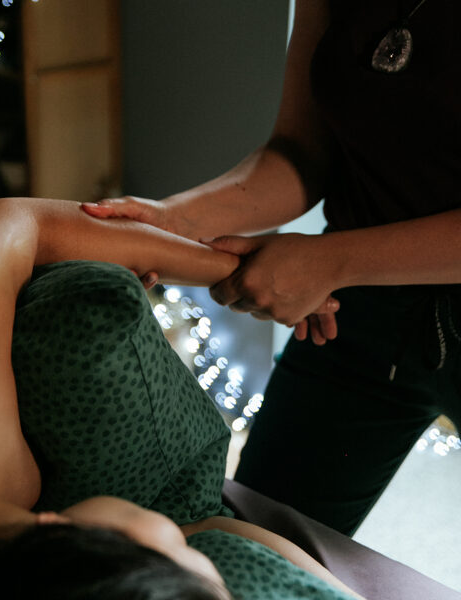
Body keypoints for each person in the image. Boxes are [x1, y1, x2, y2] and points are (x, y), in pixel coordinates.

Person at [0, 192, 364, 599]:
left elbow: (21, 222)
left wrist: (236, 277)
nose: (186, 542)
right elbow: (203, 530)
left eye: (180, 552)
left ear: (68, 539)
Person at [81, 0, 461, 536]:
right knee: (254, 537)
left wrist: (330, 261)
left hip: (346, 276)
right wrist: (173, 220)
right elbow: (302, 151)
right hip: (354, 313)